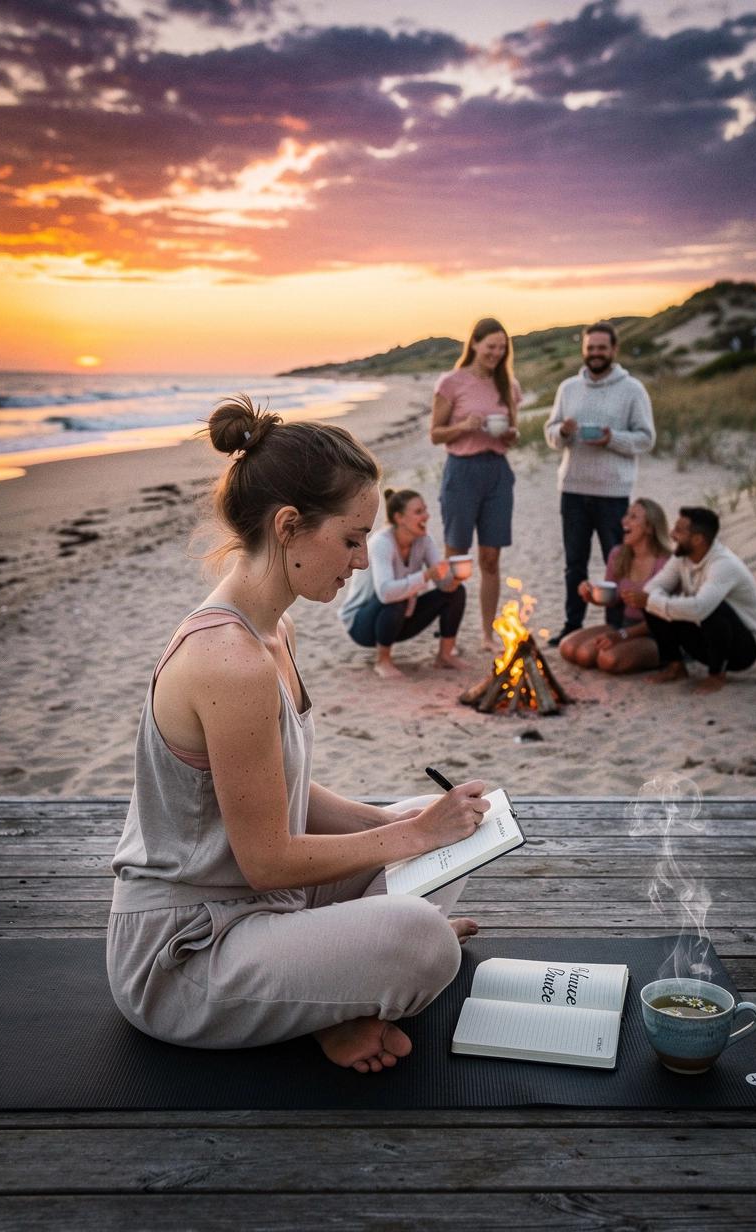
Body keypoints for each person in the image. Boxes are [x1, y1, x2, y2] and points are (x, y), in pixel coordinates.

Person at [107, 394, 488, 1076]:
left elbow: (282, 787)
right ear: (288, 526)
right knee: (426, 940)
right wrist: (412, 837)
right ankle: (340, 996)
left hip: (264, 911)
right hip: (189, 953)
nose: (363, 561)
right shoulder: (228, 658)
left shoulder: (272, 628)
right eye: (350, 539)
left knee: (437, 826)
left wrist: (408, 824)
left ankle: (337, 988)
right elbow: (268, 860)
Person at [544, 322, 655, 646]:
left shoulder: (632, 389)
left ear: (613, 350)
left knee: (617, 561)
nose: (595, 354)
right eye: (590, 348)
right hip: (574, 490)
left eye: (601, 348)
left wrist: (612, 439)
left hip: (613, 492)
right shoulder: (568, 388)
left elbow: (646, 439)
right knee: (574, 563)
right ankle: (572, 625)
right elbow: (551, 434)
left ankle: (616, 626)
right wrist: (562, 432)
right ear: (584, 350)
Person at [431, 317, 521, 653]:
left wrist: (510, 435)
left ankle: (486, 634)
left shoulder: (508, 386)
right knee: (456, 557)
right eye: (491, 346)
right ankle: (448, 639)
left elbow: (511, 435)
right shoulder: (452, 382)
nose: (496, 353)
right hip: (461, 471)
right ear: (475, 344)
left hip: (497, 471)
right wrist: (465, 426)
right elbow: (435, 433)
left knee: (491, 558)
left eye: (502, 348)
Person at [625, 506, 756, 694]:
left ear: (698, 539)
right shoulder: (683, 556)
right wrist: (652, 601)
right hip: (707, 640)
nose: (672, 534)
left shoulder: (723, 564)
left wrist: (653, 601)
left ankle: (717, 674)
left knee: (711, 608)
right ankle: (676, 667)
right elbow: (653, 588)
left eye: (678, 531)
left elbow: (700, 609)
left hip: (742, 649)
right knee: (651, 602)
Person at [339, 487, 466, 679]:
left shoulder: (424, 540)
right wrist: (425, 576)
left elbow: (442, 583)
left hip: (400, 619)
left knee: (457, 593)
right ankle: (383, 661)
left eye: (425, 510)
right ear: (399, 518)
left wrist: (454, 578)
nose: (426, 516)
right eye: (418, 512)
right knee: (397, 596)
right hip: (362, 625)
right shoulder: (382, 542)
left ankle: (445, 655)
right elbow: (385, 593)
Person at [559, 497, 670, 674]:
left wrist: (621, 636)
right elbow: (613, 600)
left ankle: (663, 657)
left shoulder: (665, 562)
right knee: (570, 649)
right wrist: (591, 596)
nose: (624, 520)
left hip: (655, 631)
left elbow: (667, 615)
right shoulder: (618, 554)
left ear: (649, 527)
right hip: (622, 624)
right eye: (626, 515)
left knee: (608, 659)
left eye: (633, 517)